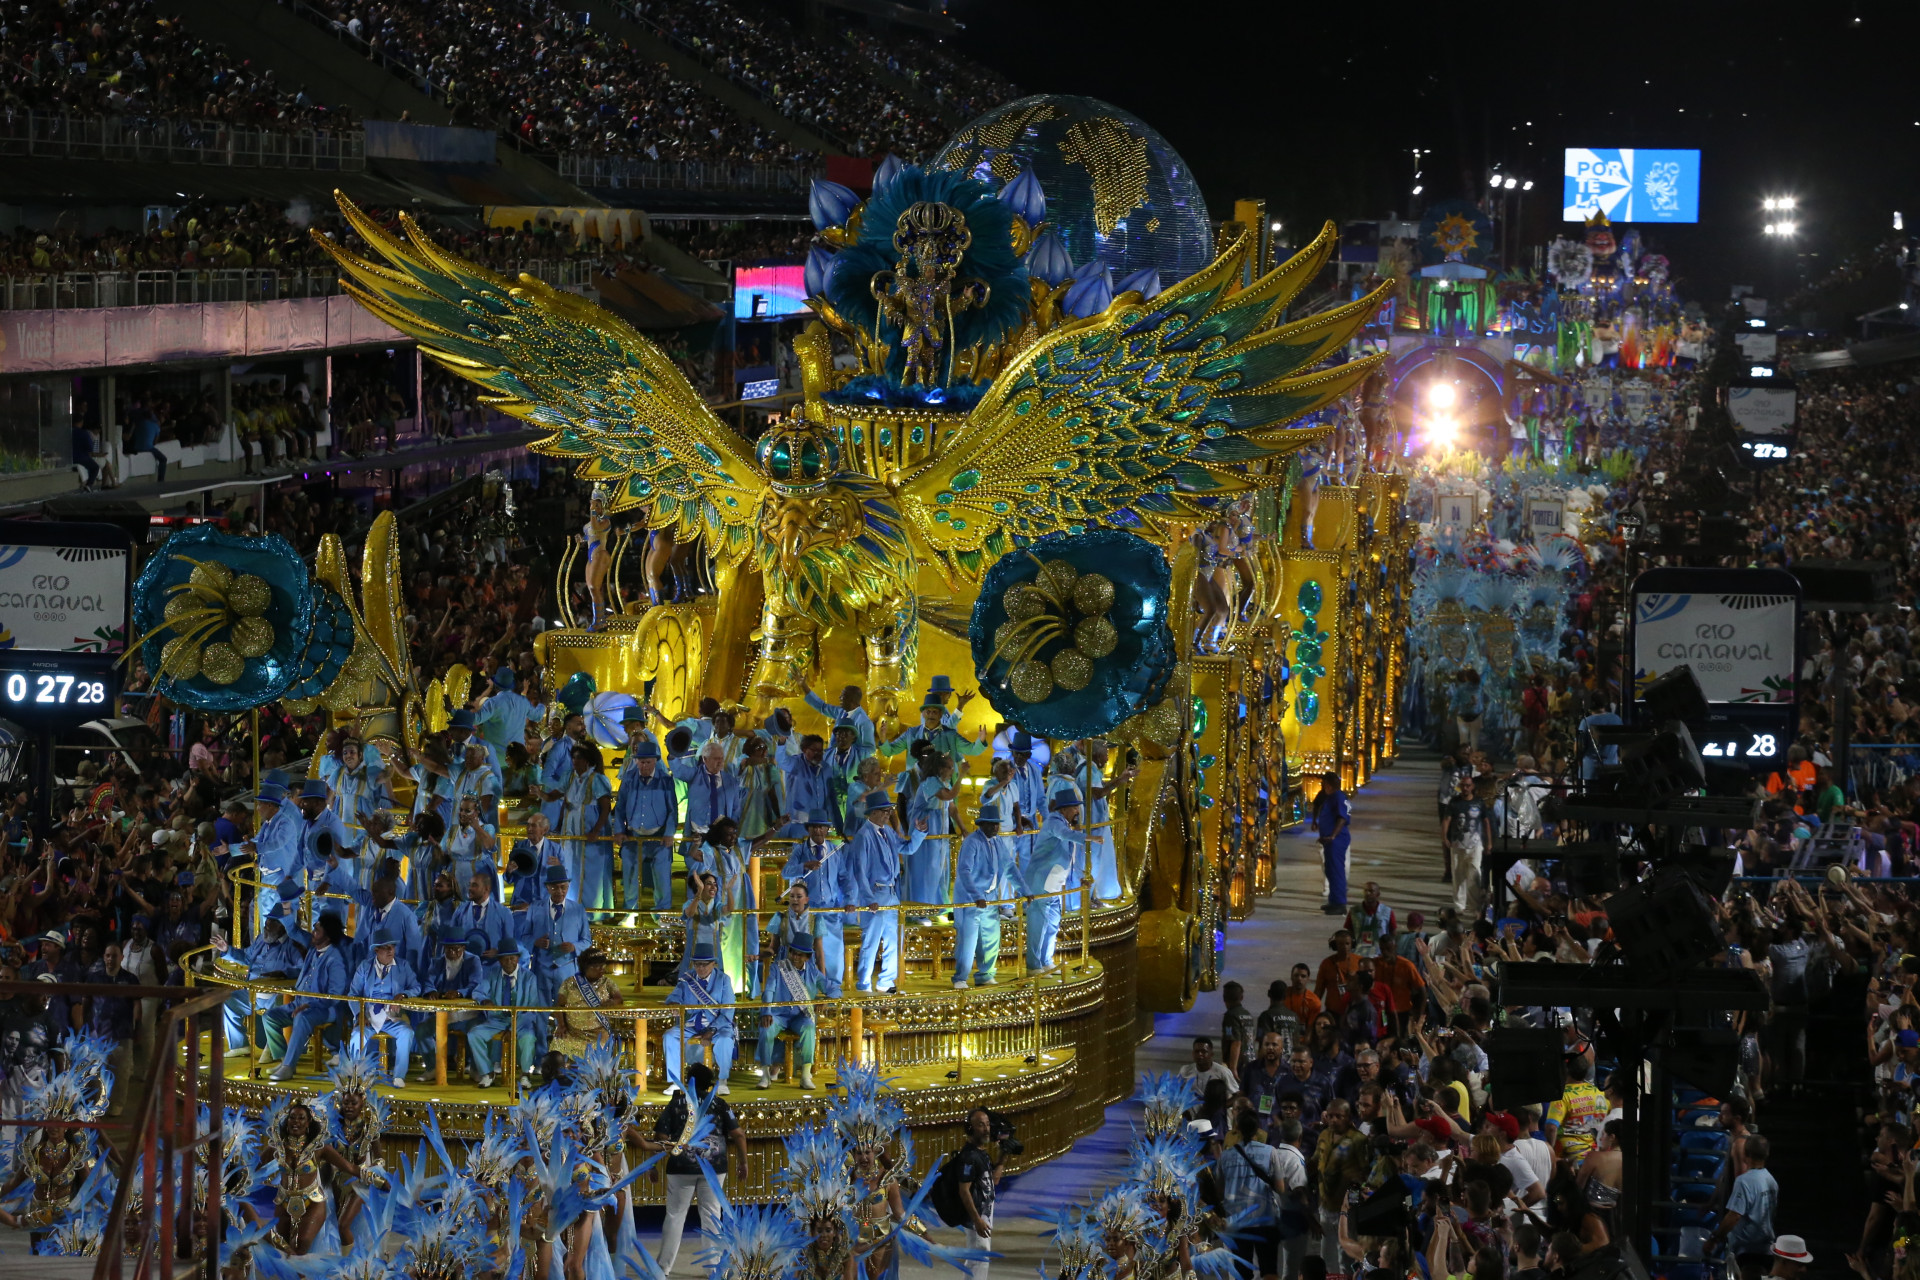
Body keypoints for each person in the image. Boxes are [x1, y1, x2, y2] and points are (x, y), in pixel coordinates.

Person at [644, 1061, 748, 1273]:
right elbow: (738, 1134)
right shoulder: (720, 1104)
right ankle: (714, 1271)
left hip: (680, 1166)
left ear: (688, 1082)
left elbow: (661, 1137)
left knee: (675, 1216)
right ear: (709, 1084)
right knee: (711, 1217)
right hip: (714, 1168)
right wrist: (743, 1162)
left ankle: (661, 1270)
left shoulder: (675, 1104)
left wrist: (652, 1165)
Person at [846, 796, 928, 994]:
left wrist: (919, 833)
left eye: (889, 811)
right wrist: (868, 899)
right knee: (871, 941)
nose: (887, 815)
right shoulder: (864, 836)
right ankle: (864, 983)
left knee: (894, 938)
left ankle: (886, 981)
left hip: (891, 892)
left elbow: (907, 848)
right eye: (884, 811)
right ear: (873, 812)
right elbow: (860, 871)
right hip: (875, 892)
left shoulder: (888, 831)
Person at [266, 913, 352, 1081]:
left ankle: (289, 1067)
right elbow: (302, 971)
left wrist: (311, 1004)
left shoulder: (335, 959)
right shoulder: (314, 951)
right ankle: (285, 1059)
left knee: (302, 1017)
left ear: (327, 935)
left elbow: (336, 995)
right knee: (269, 1017)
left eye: (317, 930)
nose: (312, 932)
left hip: (325, 1008)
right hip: (300, 1002)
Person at [520, 864, 591, 1057]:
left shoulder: (578, 909)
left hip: (567, 970)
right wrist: (535, 941)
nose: (559, 891)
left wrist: (575, 946)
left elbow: (587, 941)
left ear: (567, 887)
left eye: (563, 887)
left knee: (568, 1015)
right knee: (540, 1014)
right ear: (547, 888)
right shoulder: (535, 908)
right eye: (555, 888)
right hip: (541, 969)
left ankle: (567, 1057)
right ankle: (542, 1058)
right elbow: (524, 936)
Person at [756, 931, 839, 1090]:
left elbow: (834, 989)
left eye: (800, 955)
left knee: (809, 1026)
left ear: (807, 957)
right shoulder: (778, 968)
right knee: (765, 1029)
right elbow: (768, 992)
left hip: (801, 1015)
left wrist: (826, 1001)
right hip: (778, 1014)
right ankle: (765, 1075)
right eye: (793, 953)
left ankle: (806, 1075)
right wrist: (766, 1012)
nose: (795, 957)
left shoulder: (813, 971)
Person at [1021, 787, 1091, 974]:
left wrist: (1080, 878)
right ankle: (1034, 966)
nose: (1077, 811)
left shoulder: (1065, 824)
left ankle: (1045, 961)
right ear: (1064, 809)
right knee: (1038, 924)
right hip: (1040, 882)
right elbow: (1065, 836)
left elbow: (1070, 857)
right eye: (1075, 807)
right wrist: (1088, 837)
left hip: (1053, 884)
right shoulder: (1053, 822)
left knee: (1052, 923)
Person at [346, 927, 422, 1088]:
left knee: (407, 1033)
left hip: (392, 1017)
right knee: (356, 1036)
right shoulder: (365, 967)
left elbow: (416, 987)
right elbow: (353, 993)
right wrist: (359, 1014)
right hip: (368, 1017)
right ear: (376, 950)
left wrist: (404, 994)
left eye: (392, 947)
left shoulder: (403, 966)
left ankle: (399, 1075)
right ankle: (356, 1075)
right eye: (386, 947)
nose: (390, 951)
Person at [781, 811, 849, 983]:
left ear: (827, 829)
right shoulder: (800, 850)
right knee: (806, 952)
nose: (818, 830)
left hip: (830, 910)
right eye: (814, 827)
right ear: (808, 829)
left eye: (822, 827)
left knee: (833, 951)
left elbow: (844, 878)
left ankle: (833, 989)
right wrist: (804, 866)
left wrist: (849, 900)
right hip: (807, 912)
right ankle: (808, 988)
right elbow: (786, 873)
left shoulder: (835, 850)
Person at [663, 942, 737, 1094]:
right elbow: (674, 995)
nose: (701, 968)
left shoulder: (724, 980)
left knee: (725, 1039)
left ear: (713, 964)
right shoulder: (687, 978)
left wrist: (710, 1030)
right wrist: (673, 1003)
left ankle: (722, 1081)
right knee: (669, 1036)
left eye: (704, 964)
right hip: (692, 1025)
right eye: (697, 964)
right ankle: (676, 1081)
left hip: (718, 1026)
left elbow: (728, 1011)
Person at [614, 738, 677, 913]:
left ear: (655, 761)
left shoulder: (665, 780)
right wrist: (619, 830)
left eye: (648, 762)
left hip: (658, 837)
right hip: (634, 836)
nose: (644, 766)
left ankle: (662, 914)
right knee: (630, 873)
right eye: (641, 762)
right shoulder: (628, 779)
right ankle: (630, 912)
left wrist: (669, 833)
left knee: (662, 876)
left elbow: (673, 809)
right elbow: (619, 807)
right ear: (636, 761)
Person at [470, 944, 539, 1090]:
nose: (509, 962)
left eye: (512, 958)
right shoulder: (493, 974)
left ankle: (525, 1074)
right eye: (504, 959)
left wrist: (516, 1022)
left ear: (518, 959)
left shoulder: (529, 977)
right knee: (474, 1034)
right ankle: (488, 1073)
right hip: (497, 1019)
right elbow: (478, 992)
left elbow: (533, 1005)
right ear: (499, 961)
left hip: (521, 1019)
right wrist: (484, 1000)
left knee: (528, 1037)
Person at [1709, 1135, 1777, 1280]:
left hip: (1748, 1252)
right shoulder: (1772, 1181)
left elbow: (1734, 1216)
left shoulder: (1744, 1181)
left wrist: (1715, 1238)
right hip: (1766, 1249)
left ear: (1746, 1155)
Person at [952, 806, 1005, 988]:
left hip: (990, 898)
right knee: (968, 941)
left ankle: (985, 975)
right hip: (970, 899)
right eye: (991, 824)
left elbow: (1009, 866)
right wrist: (976, 895)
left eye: (997, 824)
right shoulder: (971, 842)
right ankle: (960, 978)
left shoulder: (997, 842)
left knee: (991, 939)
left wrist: (1024, 889)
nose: (995, 828)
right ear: (982, 824)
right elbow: (964, 871)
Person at [952, 1107, 1004, 1280]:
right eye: (981, 1125)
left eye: (988, 1124)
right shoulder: (969, 1157)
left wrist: (1003, 1157)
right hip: (978, 1216)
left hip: (985, 1214)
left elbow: (993, 1181)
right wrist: (977, 1220)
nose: (986, 1129)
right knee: (979, 1254)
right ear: (970, 1129)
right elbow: (963, 1190)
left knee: (980, 1255)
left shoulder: (982, 1154)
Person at [552, 948, 624, 1059]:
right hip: (572, 1032)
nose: (601, 969)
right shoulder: (570, 983)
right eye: (596, 966)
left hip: (599, 1033)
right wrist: (561, 1026)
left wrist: (612, 1002)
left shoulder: (607, 982)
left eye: (602, 966)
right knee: (558, 1047)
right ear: (585, 967)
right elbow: (559, 1006)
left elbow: (619, 999)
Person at [1442, 772, 1491, 915]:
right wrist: (1445, 837)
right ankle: (1459, 906)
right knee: (1458, 875)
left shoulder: (1479, 802)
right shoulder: (1454, 802)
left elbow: (1486, 822)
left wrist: (1488, 843)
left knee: (1475, 875)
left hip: (1475, 845)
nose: (1465, 788)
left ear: (1472, 787)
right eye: (1463, 786)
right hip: (1458, 845)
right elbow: (1447, 820)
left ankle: (1475, 906)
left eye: (1468, 786)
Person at [1312, 773, 1351, 914]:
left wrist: (1333, 836)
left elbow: (1342, 818)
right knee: (1330, 870)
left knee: (1336, 871)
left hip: (1336, 840)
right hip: (1329, 839)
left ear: (1328, 785)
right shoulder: (1331, 797)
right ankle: (1333, 901)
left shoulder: (1338, 797)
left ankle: (1339, 903)